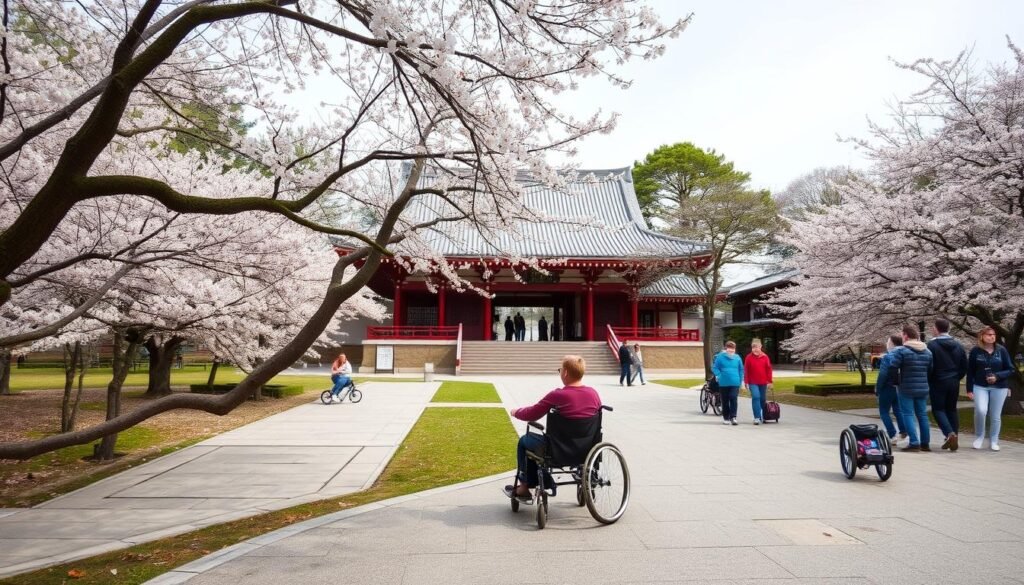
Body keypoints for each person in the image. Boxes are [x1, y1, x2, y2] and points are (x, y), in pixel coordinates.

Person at [504, 355, 602, 500]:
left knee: (524, 441)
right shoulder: (593, 394)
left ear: (566, 373)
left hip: (558, 449)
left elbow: (532, 413)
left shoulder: (558, 395)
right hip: (586, 449)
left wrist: (515, 412)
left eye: (560, 369)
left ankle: (524, 486)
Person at [966, 327, 1014, 451]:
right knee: (981, 411)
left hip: (999, 387)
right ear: (982, 336)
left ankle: (994, 440)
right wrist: (969, 389)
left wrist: (997, 376)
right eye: (988, 335)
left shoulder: (1001, 350)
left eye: (993, 334)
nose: (992, 337)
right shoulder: (976, 351)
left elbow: (1010, 369)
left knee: (995, 415)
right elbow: (970, 371)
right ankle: (979, 436)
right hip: (980, 386)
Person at [888, 324, 933, 452]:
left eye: (902, 335)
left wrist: (896, 382)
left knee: (908, 414)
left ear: (906, 336)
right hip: (923, 387)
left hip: (906, 387)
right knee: (922, 415)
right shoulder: (928, 351)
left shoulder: (901, 351)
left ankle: (914, 442)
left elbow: (893, 367)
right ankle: (925, 443)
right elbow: (930, 369)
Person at [927, 318, 968, 451]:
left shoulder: (932, 346)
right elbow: (964, 365)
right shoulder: (958, 345)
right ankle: (954, 436)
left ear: (936, 329)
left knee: (938, 409)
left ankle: (949, 434)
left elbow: (929, 365)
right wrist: (957, 377)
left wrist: (931, 378)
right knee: (951, 409)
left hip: (938, 381)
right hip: (954, 381)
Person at [875, 334, 909, 444]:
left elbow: (883, 374)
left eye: (888, 342)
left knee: (884, 412)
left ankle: (892, 434)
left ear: (893, 343)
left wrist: (878, 388)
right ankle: (903, 431)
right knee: (898, 410)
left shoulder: (888, 357)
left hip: (887, 387)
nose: (887, 343)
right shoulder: (904, 354)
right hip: (899, 386)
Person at [712, 341, 744, 426]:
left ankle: (733, 417)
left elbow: (741, 370)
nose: (731, 350)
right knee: (725, 400)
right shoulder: (720, 357)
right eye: (729, 348)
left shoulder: (737, 358)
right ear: (726, 348)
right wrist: (719, 375)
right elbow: (715, 367)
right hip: (723, 383)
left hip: (735, 382)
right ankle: (726, 418)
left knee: (733, 398)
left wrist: (741, 381)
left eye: (733, 348)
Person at [743, 338, 772, 425]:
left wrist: (770, 381)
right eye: (753, 347)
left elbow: (768, 370)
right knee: (756, 397)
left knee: (762, 399)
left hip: (763, 382)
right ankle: (757, 417)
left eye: (757, 347)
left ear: (761, 347)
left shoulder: (765, 357)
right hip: (753, 382)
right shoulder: (748, 357)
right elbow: (746, 370)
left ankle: (764, 416)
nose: (755, 349)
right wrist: (746, 382)